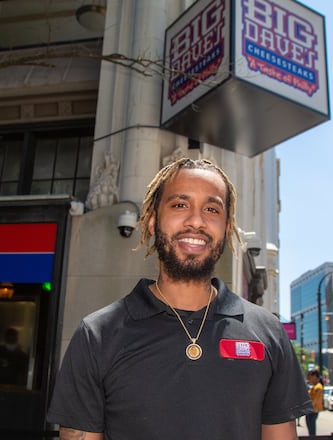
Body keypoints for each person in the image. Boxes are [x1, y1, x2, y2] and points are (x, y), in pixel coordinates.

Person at [46, 158, 312, 439]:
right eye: (180, 205)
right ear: (152, 221)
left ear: (226, 227)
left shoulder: (269, 333)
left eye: (211, 209)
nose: (196, 221)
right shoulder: (96, 335)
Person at [306, 369, 324, 438]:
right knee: (310, 428)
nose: (309, 380)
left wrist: (308, 407)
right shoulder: (314, 387)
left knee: (312, 429)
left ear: (314, 377)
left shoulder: (318, 387)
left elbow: (316, 400)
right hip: (311, 410)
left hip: (313, 410)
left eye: (310, 377)